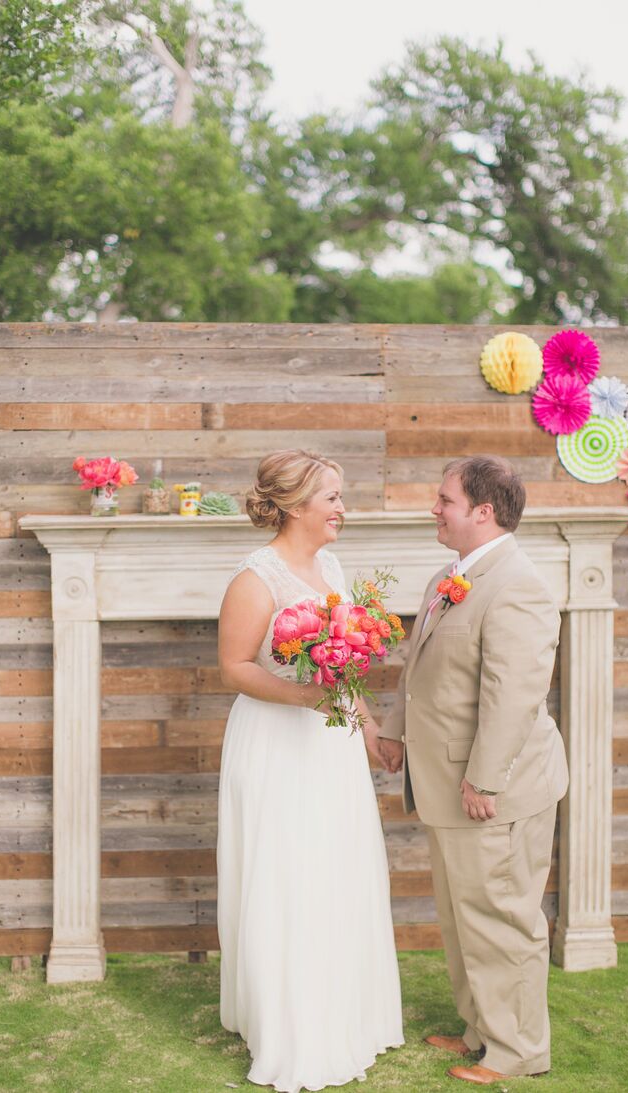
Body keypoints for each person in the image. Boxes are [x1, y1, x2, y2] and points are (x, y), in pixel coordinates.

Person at [217, 449, 404, 1093]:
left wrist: (372, 729)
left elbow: (346, 670)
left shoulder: (332, 566)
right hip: (276, 742)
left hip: (330, 746)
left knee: (335, 868)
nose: (342, 510)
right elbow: (236, 667)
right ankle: (289, 1027)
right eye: (333, 498)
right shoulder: (254, 578)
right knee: (287, 873)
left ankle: (342, 1015)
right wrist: (308, 699)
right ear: (297, 505)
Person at [378, 455, 568, 1086]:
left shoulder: (519, 583)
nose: (434, 508)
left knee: (501, 918)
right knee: (463, 915)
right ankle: (481, 1031)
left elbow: (514, 693)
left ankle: (517, 1053)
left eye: (445, 500)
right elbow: (422, 671)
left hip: (493, 790)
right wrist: (394, 734)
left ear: (483, 512)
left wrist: (484, 778)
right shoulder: (449, 576)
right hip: (444, 782)